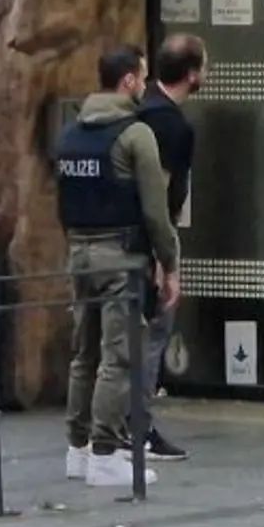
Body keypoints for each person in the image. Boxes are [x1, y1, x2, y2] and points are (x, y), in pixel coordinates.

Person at [58, 46, 180, 491]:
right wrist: (169, 264)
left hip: (78, 254)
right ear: (128, 80)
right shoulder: (135, 134)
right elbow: (156, 211)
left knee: (83, 354)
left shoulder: (72, 133)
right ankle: (105, 453)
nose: (145, 84)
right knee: (119, 356)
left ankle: (77, 450)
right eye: (142, 76)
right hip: (121, 257)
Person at [128, 33, 205, 463]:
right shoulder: (173, 125)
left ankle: (107, 430)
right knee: (154, 333)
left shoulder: (139, 111)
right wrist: (165, 261)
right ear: (192, 74)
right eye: (204, 67)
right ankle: (138, 428)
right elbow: (164, 194)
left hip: (118, 237)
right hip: (150, 242)